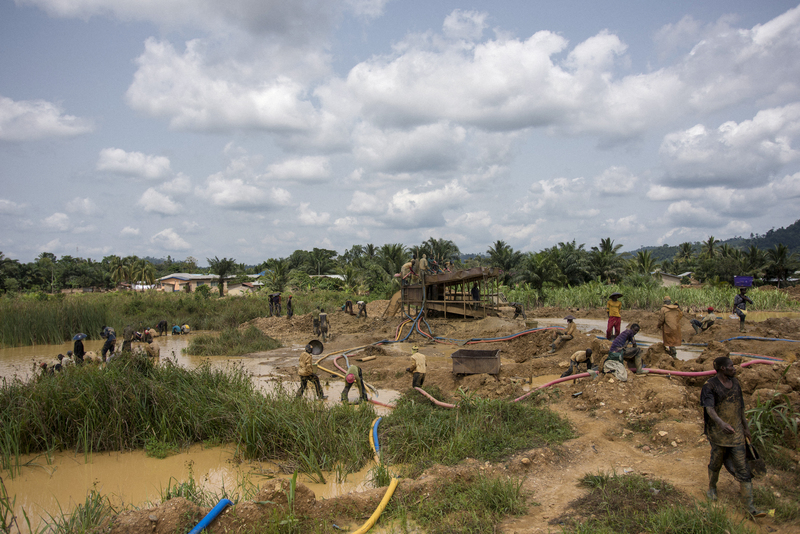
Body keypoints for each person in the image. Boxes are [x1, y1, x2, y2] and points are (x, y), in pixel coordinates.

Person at [701, 356, 766, 517]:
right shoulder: (710, 386)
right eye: (731, 366)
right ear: (723, 368)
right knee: (716, 462)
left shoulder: (735, 383)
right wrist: (721, 424)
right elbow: (709, 409)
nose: (734, 368)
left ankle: (750, 508)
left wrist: (746, 427)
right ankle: (712, 488)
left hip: (736, 435)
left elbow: (740, 407)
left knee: (743, 469)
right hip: (718, 434)